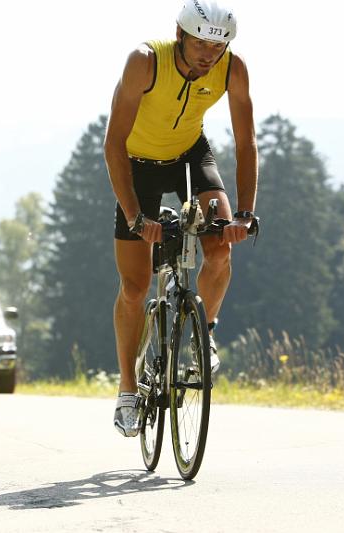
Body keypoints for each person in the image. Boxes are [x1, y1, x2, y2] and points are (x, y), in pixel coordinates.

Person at [104, 1, 258, 437]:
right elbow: (113, 144)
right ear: (179, 34)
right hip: (137, 163)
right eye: (200, 43)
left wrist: (244, 214)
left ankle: (202, 332)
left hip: (190, 157)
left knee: (221, 247)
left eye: (218, 45)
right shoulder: (145, 61)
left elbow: (246, 143)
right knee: (134, 288)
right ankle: (128, 390)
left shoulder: (232, 68)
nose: (209, 54)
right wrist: (135, 216)